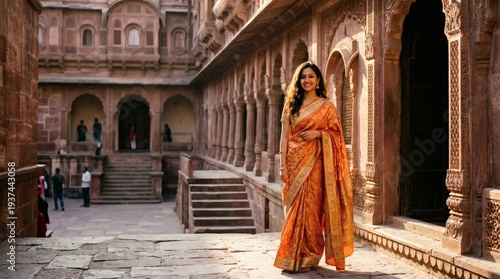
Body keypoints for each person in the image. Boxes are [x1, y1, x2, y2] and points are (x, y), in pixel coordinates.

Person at [273, 61, 354, 273]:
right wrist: (283, 167)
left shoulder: (327, 106)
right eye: (303, 77)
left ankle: (309, 255)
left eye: (311, 76)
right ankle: (291, 254)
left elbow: (336, 135)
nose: (307, 80)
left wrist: (319, 134)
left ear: (318, 80)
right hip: (294, 161)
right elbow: (284, 137)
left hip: (317, 164)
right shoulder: (291, 104)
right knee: (294, 209)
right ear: (298, 81)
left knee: (312, 209)